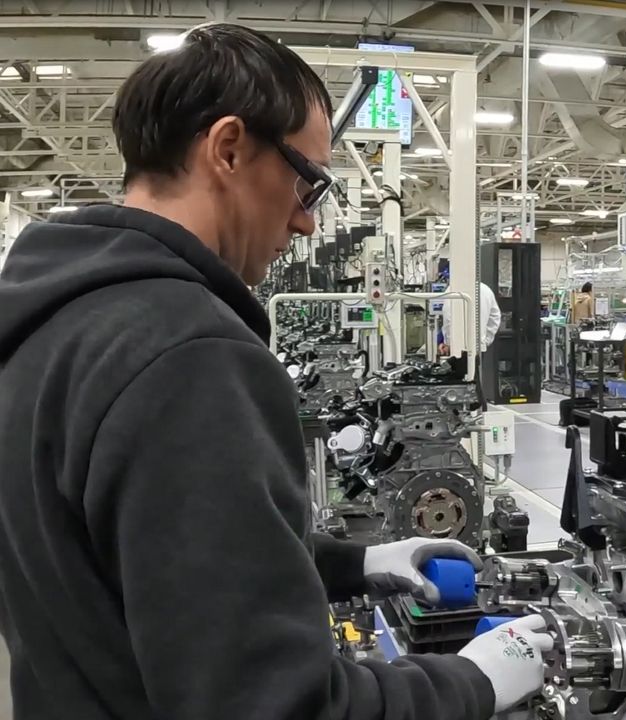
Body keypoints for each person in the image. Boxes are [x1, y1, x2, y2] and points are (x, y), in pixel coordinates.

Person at [0, 24, 549, 720]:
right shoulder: (190, 352)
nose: (307, 224)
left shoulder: (57, 317)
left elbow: (152, 559)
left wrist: (352, 564)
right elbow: (275, 705)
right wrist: (471, 684)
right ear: (228, 148)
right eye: (307, 182)